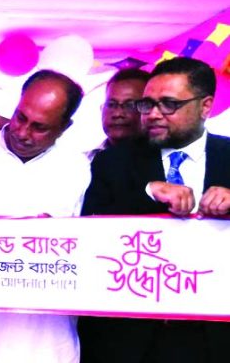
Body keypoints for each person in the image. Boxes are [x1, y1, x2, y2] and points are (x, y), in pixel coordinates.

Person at [79, 57, 230, 363]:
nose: (154, 115)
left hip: (214, 336)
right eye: (147, 105)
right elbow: (90, 232)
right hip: (127, 340)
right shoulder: (113, 161)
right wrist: (149, 191)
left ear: (205, 106)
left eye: (169, 104)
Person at [0, 69, 89, 363]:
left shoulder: (74, 166)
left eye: (39, 127)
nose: (23, 132)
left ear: (65, 127)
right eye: (20, 117)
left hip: (44, 334)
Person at [88, 68, 150, 159]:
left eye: (129, 105)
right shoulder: (84, 162)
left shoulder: (168, 162)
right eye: (111, 104)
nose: (117, 114)